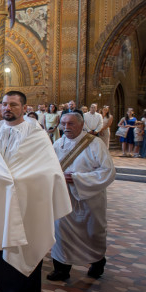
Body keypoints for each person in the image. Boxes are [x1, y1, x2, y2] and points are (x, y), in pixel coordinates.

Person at [0, 91, 71, 292]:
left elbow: (48, 171)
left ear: (24, 108)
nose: (7, 108)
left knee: (19, 252)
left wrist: (15, 181)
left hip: (25, 206)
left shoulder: (36, 135)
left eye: (13, 104)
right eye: (4, 104)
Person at [48, 112, 116, 282]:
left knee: (93, 232)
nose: (66, 127)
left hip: (89, 198)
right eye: (63, 123)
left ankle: (97, 262)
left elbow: (108, 171)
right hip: (64, 196)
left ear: (81, 124)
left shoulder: (95, 144)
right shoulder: (58, 143)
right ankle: (61, 268)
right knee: (61, 231)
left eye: (71, 123)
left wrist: (77, 178)